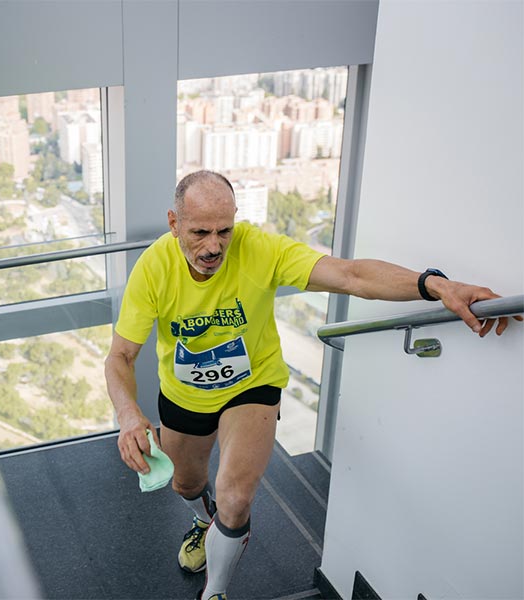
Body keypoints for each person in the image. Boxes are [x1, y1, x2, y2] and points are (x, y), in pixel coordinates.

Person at [104, 170, 520, 600]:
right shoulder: (154, 268)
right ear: (174, 223)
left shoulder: (260, 249)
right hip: (185, 394)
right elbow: (120, 357)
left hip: (252, 385)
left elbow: (352, 276)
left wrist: (434, 284)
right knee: (186, 485)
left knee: (235, 496)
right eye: (200, 232)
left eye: (224, 231)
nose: (214, 247)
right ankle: (202, 520)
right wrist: (130, 414)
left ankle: (215, 593)